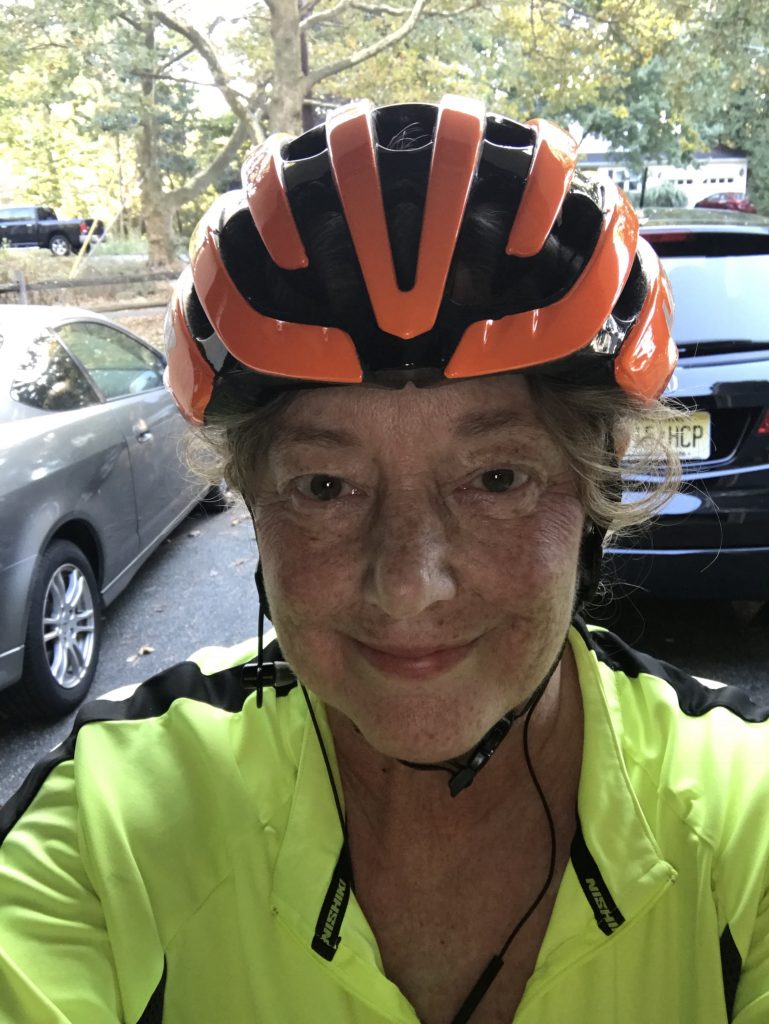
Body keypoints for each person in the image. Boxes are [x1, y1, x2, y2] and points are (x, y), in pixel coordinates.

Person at [1, 95, 767, 1024]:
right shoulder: (111, 820)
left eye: (495, 478)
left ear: (591, 493)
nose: (408, 586)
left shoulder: (745, 815)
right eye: (326, 487)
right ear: (253, 500)